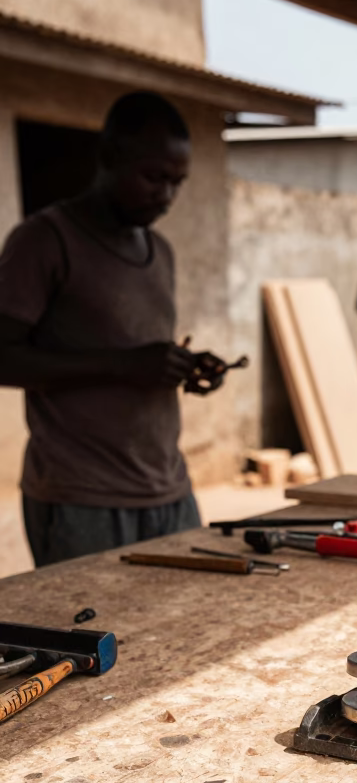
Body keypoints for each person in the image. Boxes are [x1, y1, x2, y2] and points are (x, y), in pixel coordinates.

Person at [0, 90, 226, 569]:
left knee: (183, 634)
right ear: (108, 156)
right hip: (81, 497)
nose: (165, 196)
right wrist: (127, 365)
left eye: (177, 183)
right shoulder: (45, 241)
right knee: (90, 641)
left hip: (168, 489)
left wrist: (181, 367)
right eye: (153, 177)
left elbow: (137, 348)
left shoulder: (160, 252)